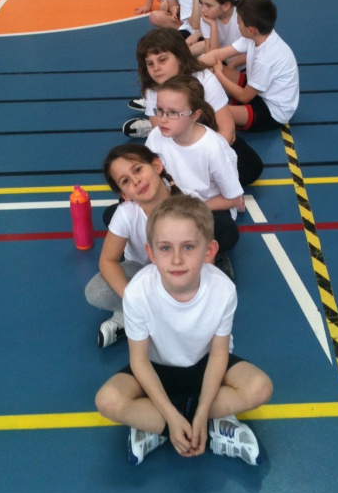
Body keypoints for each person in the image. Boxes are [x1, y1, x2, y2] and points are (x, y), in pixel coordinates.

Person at [95, 194, 273, 466]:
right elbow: (139, 361)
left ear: (209, 251)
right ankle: (194, 426)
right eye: (165, 248)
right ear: (151, 253)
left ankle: (162, 425)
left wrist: (202, 411)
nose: (176, 259)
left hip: (205, 364)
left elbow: (218, 355)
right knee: (108, 400)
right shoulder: (137, 293)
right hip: (156, 368)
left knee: (260, 388)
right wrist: (171, 417)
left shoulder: (223, 290)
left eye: (188, 247)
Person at [123, 27, 263, 186]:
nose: (156, 68)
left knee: (251, 165)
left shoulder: (204, 79)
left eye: (162, 60)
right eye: (150, 63)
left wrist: (204, 161)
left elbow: (227, 130)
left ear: (179, 58)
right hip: (176, 147)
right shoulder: (152, 90)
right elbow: (162, 136)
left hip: (210, 141)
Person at [85, 144, 185, 347]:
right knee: (96, 291)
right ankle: (130, 313)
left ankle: (144, 318)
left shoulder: (188, 207)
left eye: (138, 169)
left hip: (179, 273)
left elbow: (199, 260)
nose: (136, 181)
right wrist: (130, 299)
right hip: (140, 271)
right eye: (125, 181)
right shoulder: (126, 213)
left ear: (156, 166)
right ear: (125, 195)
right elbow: (107, 261)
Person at [146, 76, 244, 273]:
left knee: (225, 229)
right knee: (117, 214)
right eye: (160, 110)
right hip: (170, 201)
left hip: (205, 205)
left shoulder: (212, 148)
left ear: (195, 115)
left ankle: (213, 255)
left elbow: (234, 199)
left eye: (173, 113)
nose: (162, 119)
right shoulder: (156, 137)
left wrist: (188, 210)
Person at [200, 0, 299, 132]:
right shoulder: (256, 35)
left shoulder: (266, 58)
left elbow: (244, 97)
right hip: (259, 88)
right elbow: (218, 54)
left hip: (272, 110)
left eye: (239, 22)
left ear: (251, 30)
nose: (237, 25)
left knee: (214, 113)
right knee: (210, 66)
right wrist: (189, 66)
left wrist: (218, 74)